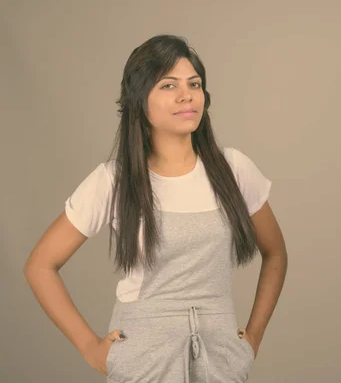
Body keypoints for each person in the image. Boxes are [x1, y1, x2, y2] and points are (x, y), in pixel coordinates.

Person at [24, 34, 288, 383]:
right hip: (142, 365)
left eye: (194, 83)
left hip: (221, 366)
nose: (186, 95)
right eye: (168, 85)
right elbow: (40, 266)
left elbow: (276, 254)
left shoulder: (234, 170)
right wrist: (91, 347)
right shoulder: (115, 181)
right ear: (139, 100)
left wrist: (251, 339)